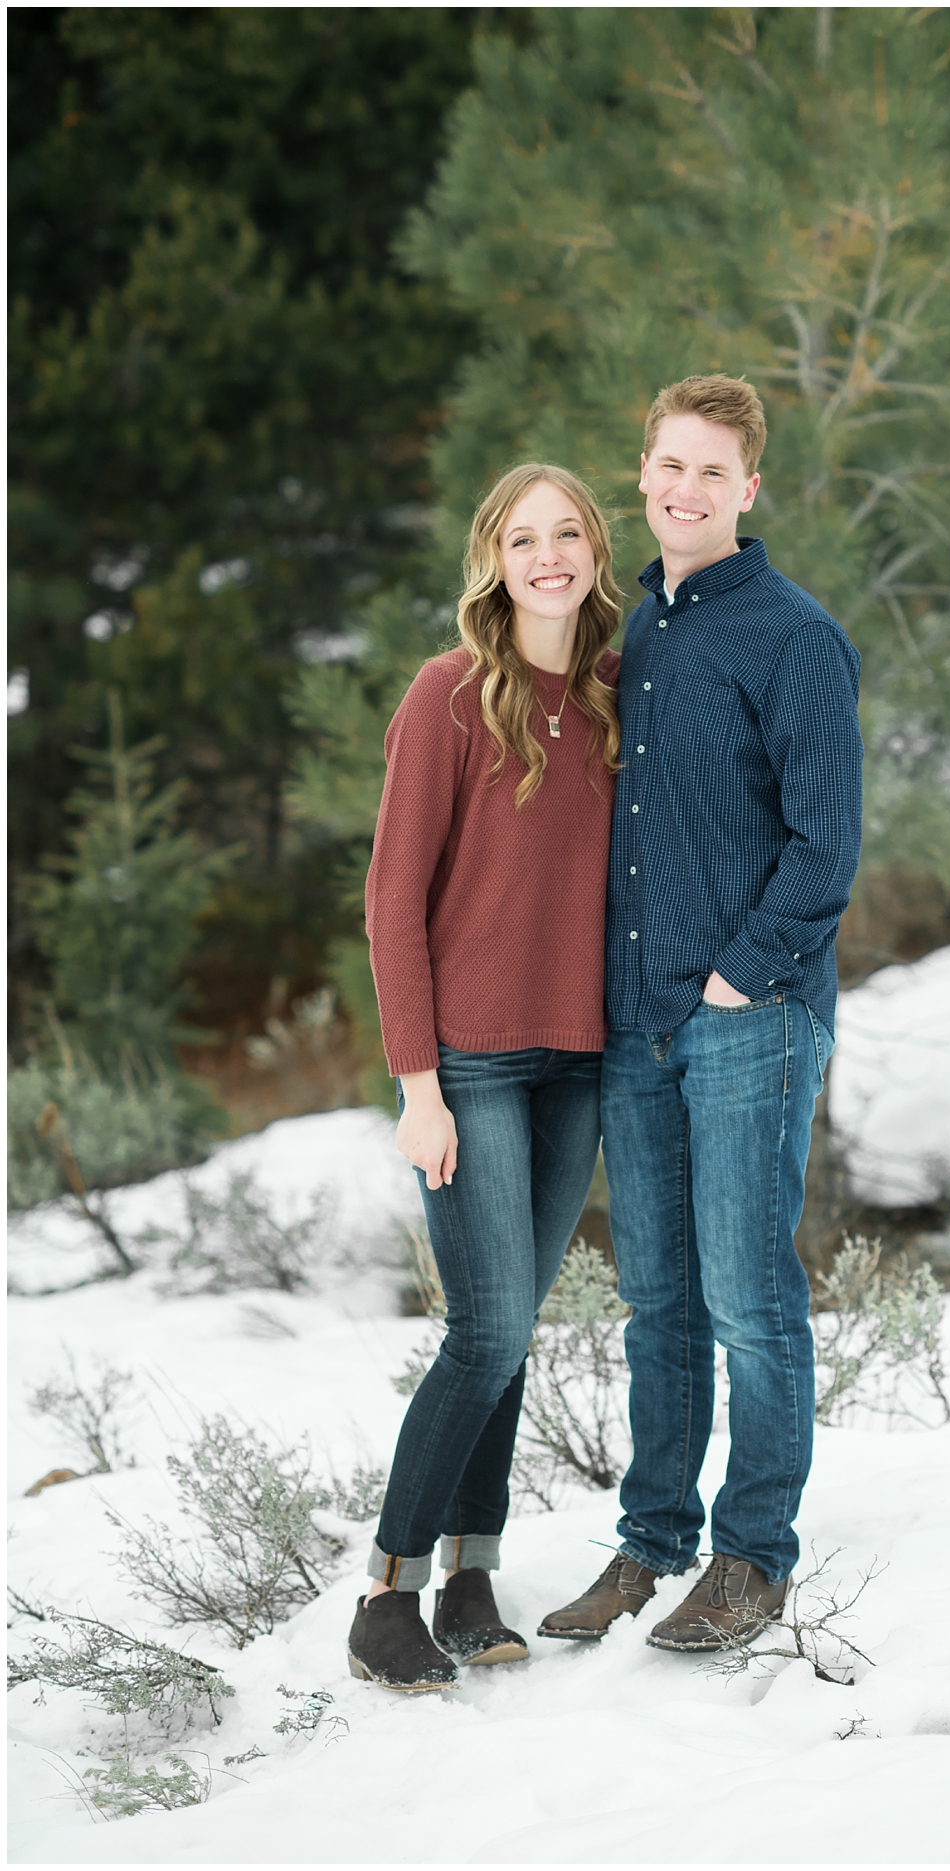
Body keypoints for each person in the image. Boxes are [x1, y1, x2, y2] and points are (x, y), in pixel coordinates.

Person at [536, 374, 863, 1653]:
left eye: (710, 473)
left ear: (748, 489)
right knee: (657, 1300)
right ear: (647, 471)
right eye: (668, 466)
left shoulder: (791, 634)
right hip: (635, 1023)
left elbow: (824, 845)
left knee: (748, 1296)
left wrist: (739, 974)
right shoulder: (642, 636)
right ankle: (650, 1542)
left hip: (750, 1014)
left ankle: (750, 1556)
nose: (683, 489)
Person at [355, 463, 626, 1690]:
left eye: (568, 533)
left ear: (595, 550)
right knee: (487, 1329)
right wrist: (418, 1083)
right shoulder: (450, 693)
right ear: (494, 557)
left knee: (512, 1334)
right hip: (468, 1062)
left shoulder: (623, 691)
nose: (550, 555)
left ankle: (473, 1573)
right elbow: (391, 896)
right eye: (526, 538)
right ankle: (386, 1592)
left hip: (578, 1061)